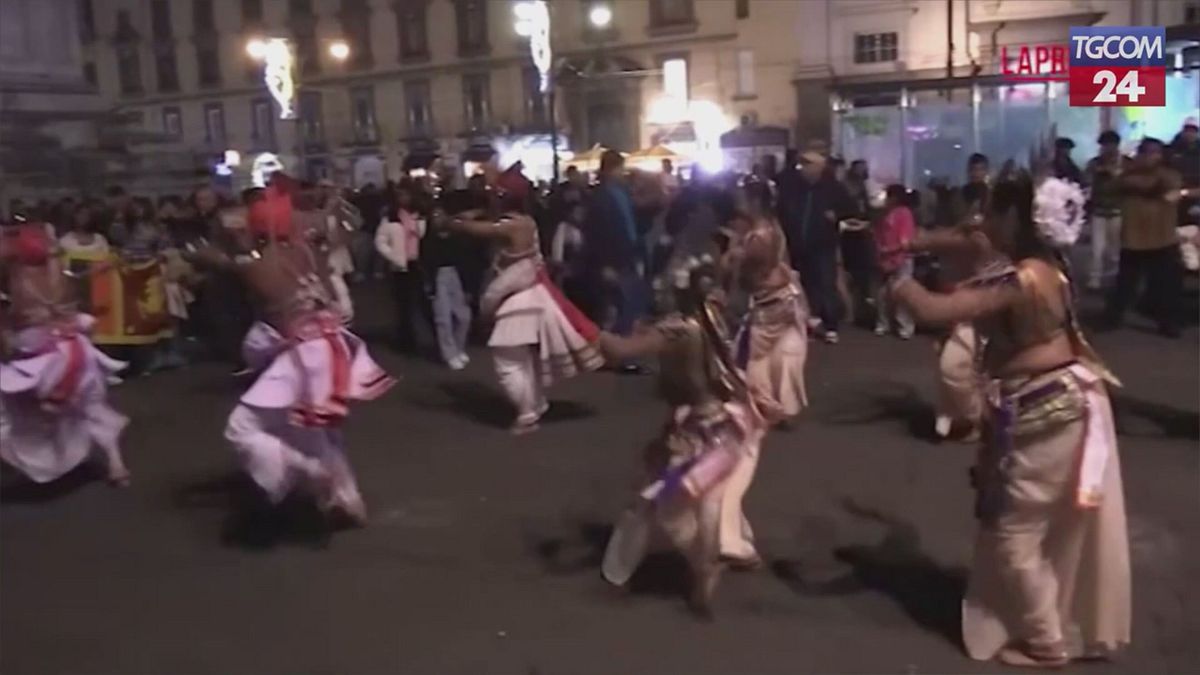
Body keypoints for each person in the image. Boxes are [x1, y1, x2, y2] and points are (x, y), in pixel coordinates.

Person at [893, 178, 1130, 668]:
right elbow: (969, 244)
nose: (982, 220)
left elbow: (938, 309)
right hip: (1056, 403)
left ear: (1014, 220)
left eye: (991, 212)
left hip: (1047, 411)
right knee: (1031, 526)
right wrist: (917, 242)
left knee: (1012, 532)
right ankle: (1043, 622)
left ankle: (1047, 641)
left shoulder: (1021, 280)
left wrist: (899, 280)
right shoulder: (1047, 268)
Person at [191, 176, 395, 525]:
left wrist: (205, 254)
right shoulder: (306, 251)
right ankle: (347, 499)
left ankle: (309, 470)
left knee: (242, 428)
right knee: (317, 429)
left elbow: (225, 264)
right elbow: (335, 235)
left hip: (307, 353)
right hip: (331, 344)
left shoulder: (256, 265)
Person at [598, 257, 767, 617]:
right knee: (710, 502)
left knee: (658, 499)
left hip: (701, 437)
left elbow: (619, 350)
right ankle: (728, 550)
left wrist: (578, 327)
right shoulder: (713, 317)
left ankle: (700, 563)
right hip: (725, 428)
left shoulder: (678, 329)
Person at [447, 178, 603, 434]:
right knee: (525, 360)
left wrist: (453, 223)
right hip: (528, 295)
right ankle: (534, 404)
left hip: (519, 300)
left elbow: (481, 230)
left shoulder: (515, 225)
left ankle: (527, 413)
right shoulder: (524, 221)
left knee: (508, 363)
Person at [0, 222, 131, 486]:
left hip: (43, 362)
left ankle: (31, 454)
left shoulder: (15, 284)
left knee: (11, 406)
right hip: (78, 353)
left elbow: (8, 334)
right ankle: (116, 464)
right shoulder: (61, 277)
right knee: (91, 407)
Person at [725, 184, 809, 424]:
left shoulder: (759, 236)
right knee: (783, 356)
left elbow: (751, 273)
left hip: (771, 301)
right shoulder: (772, 229)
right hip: (785, 297)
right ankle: (779, 406)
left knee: (755, 357)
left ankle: (766, 406)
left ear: (754, 203)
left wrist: (734, 255)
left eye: (742, 199)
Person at [1104, 137, 1185, 338]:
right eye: (1147, 153)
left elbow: (1161, 186)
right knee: (1125, 283)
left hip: (1162, 237)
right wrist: (1126, 174)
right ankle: (1113, 318)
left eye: (1155, 153)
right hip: (1134, 237)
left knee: (1165, 285)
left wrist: (1131, 178)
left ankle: (1168, 323)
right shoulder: (1128, 174)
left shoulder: (1168, 174)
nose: (1150, 157)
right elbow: (1112, 187)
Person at [777, 151, 844, 343]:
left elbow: (851, 210)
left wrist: (836, 216)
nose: (803, 169)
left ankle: (831, 324)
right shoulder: (793, 188)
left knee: (825, 283)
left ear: (818, 167)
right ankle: (808, 323)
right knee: (803, 286)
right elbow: (782, 210)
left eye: (808, 165)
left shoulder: (832, 189)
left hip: (823, 245)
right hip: (798, 244)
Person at [582, 150, 646, 346]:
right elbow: (597, 233)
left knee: (628, 306)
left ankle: (620, 347)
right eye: (620, 168)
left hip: (626, 255)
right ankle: (616, 350)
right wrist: (604, 264)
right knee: (619, 306)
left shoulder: (620, 193)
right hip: (614, 259)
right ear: (612, 169)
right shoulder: (601, 197)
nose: (622, 173)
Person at [375, 182, 428, 353]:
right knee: (403, 304)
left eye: (406, 195)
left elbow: (422, 234)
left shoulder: (417, 215)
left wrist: (417, 222)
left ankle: (417, 336)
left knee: (420, 302)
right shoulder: (390, 217)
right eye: (400, 196)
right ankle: (407, 340)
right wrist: (393, 256)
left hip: (416, 262)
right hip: (399, 266)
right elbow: (380, 241)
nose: (403, 198)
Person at [423, 206, 473, 370]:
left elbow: (465, 262)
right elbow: (426, 265)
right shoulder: (428, 240)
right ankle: (449, 354)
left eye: (441, 215)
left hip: (455, 275)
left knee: (463, 316)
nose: (439, 219)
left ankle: (458, 348)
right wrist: (430, 286)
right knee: (443, 318)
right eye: (435, 216)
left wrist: (467, 286)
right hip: (438, 277)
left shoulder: (456, 238)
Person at [873, 185, 916, 339]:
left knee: (901, 295)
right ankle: (884, 323)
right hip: (886, 258)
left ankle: (904, 326)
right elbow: (878, 235)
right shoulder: (884, 214)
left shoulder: (904, 213)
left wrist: (889, 250)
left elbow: (905, 242)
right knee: (882, 294)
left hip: (901, 258)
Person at [1084, 131, 1126, 291]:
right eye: (1104, 145)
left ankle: (1115, 277)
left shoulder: (1126, 163)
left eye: (1110, 145)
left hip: (1118, 211)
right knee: (1097, 249)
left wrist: (1116, 175)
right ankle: (1095, 279)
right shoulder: (1094, 164)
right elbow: (1086, 181)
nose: (1107, 149)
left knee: (1115, 249)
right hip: (1099, 211)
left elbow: (1130, 182)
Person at [839, 159, 877, 327]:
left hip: (861, 233)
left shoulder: (863, 187)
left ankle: (861, 309)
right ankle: (853, 310)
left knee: (862, 274)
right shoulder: (846, 187)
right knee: (853, 272)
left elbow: (867, 209)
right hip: (850, 234)